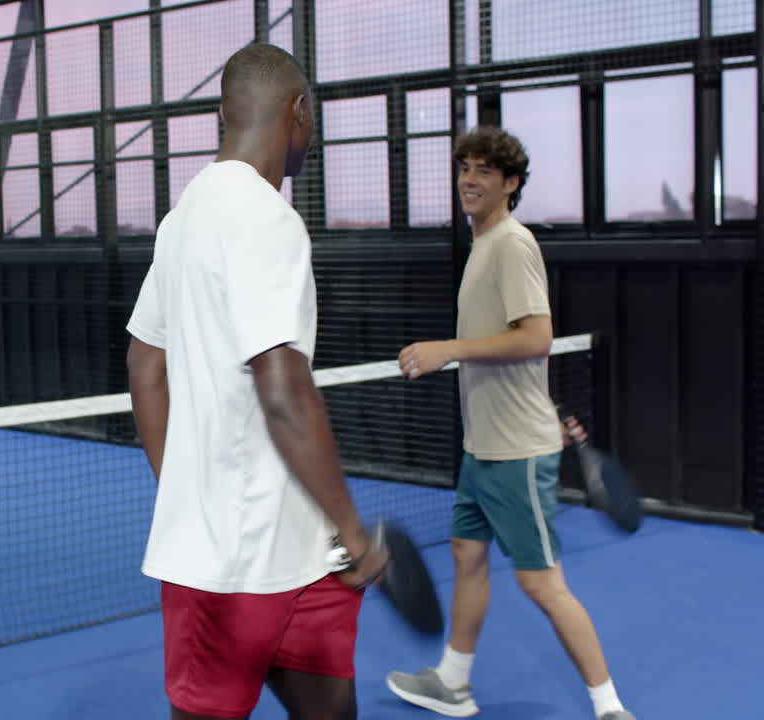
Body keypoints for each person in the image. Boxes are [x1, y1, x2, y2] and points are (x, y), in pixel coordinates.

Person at [126, 43, 387, 720]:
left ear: (224, 113)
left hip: (297, 551)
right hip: (247, 568)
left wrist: (183, 488)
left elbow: (145, 363)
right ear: (298, 114)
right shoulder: (269, 219)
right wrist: (353, 529)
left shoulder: (180, 223)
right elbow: (283, 387)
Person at [387, 126, 635, 720]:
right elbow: (513, 345)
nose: (469, 180)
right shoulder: (484, 245)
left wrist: (449, 348)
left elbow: (536, 336)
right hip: (485, 447)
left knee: (542, 584)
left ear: (511, 184)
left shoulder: (511, 244)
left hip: (514, 454)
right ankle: (453, 681)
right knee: (467, 556)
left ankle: (610, 709)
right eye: (464, 168)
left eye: (484, 172)